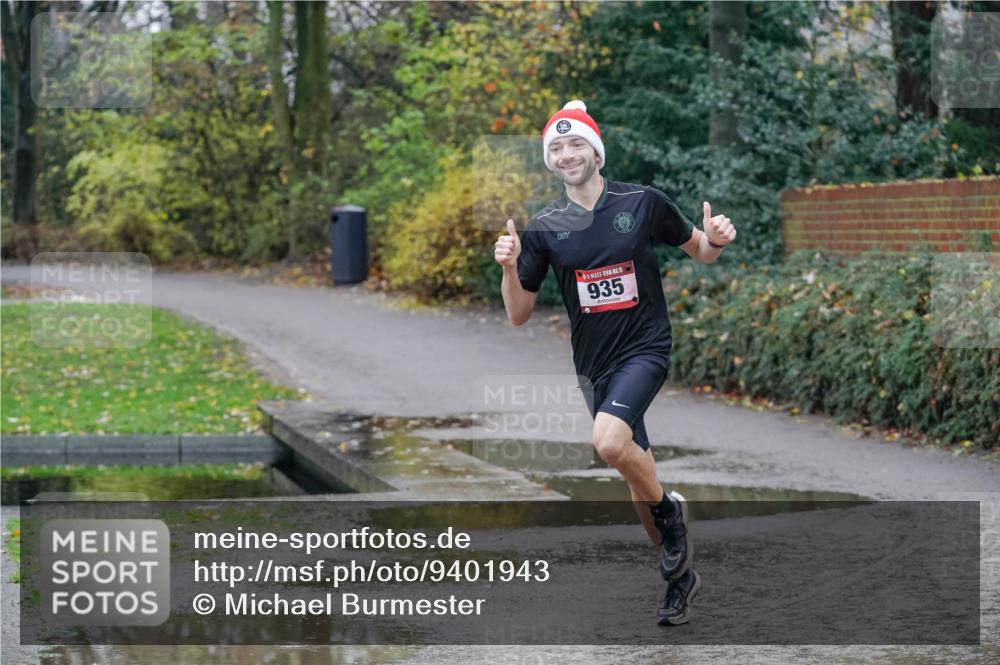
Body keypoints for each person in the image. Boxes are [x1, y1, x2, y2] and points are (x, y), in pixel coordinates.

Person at [493, 100, 736, 626]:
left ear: (596, 151)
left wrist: (715, 239)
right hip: (594, 367)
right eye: (556, 148)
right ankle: (679, 578)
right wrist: (511, 268)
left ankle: (671, 512)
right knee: (633, 481)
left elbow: (702, 252)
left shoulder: (642, 202)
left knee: (607, 444)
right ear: (550, 161)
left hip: (645, 348)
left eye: (576, 143)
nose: (566, 154)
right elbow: (518, 314)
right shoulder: (544, 227)